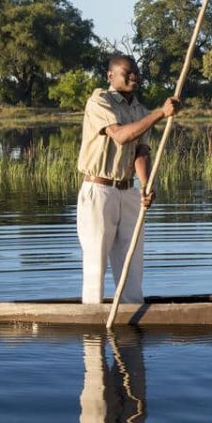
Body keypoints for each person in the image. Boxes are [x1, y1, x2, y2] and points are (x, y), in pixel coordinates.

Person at [76, 53, 179, 304]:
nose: (134, 76)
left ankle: (132, 312)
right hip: (99, 190)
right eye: (127, 72)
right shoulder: (99, 101)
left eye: (136, 72)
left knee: (132, 261)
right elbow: (121, 136)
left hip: (128, 191)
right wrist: (160, 113)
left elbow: (140, 152)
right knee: (96, 263)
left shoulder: (139, 110)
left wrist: (145, 185)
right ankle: (93, 317)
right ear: (110, 75)